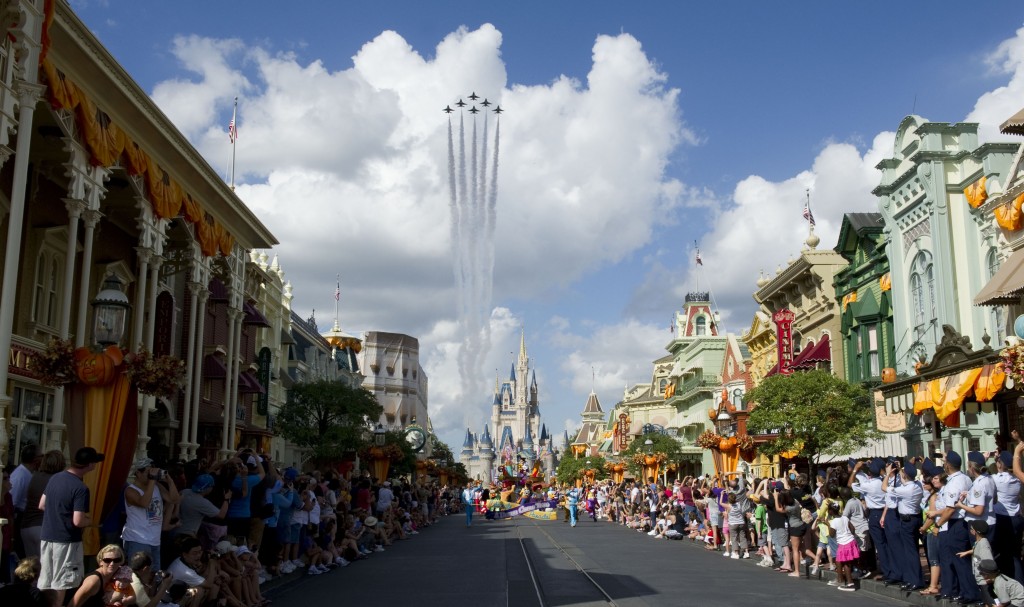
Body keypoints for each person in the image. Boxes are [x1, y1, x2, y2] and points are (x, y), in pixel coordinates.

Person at [38, 446, 104, 606]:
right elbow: (78, 521)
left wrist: (59, 514)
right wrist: (92, 522)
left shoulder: (55, 478)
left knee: (46, 580)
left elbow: (42, 505)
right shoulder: (80, 488)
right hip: (66, 540)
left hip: (47, 537)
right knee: (61, 583)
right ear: (90, 464)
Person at [934, 450, 980, 604]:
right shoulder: (964, 478)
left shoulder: (955, 482)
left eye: (944, 461)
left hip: (957, 523)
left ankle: (970, 593)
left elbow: (950, 508)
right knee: (960, 560)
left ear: (947, 465)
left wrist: (938, 524)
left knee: (960, 561)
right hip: (961, 522)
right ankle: (964, 591)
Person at [123, 457, 179, 571]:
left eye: (152, 473)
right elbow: (144, 503)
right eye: (148, 473)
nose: (151, 475)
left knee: (153, 576)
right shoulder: (130, 490)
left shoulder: (156, 486)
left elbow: (174, 500)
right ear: (138, 473)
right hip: (137, 539)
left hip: (155, 540)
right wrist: (153, 480)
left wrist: (170, 481)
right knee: (138, 575)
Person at [20, 449, 65, 559]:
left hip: (26, 527)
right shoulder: (56, 480)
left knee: (30, 569)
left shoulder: (35, 476)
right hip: (42, 528)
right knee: (44, 570)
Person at [995, 449, 1023, 584]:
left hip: (1003, 519)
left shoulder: (998, 480)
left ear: (1000, 464)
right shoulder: (1016, 479)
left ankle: (1011, 586)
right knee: (1015, 554)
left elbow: (981, 477)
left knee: (1005, 555)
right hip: (1016, 518)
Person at [829, 500, 860, 591]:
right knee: (840, 561)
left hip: (843, 544)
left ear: (831, 511)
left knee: (846, 564)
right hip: (850, 541)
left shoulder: (834, 521)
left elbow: (831, 534)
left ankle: (850, 584)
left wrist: (828, 524)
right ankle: (841, 579)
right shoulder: (845, 518)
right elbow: (852, 529)